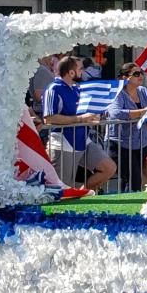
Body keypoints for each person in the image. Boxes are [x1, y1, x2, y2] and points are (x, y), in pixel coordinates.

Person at [42, 56, 117, 192]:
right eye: (80, 69)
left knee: (109, 168)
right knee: (62, 189)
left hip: (83, 140)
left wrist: (92, 116)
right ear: (71, 72)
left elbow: (83, 113)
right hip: (63, 143)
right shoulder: (53, 89)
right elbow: (49, 118)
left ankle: (82, 193)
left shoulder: (77, 88)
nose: (83, 71)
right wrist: (81, 119)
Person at [104, 63, 147, 191]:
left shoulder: (144, 91)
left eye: (141, 73)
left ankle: (125, 201)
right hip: (121, 143)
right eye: (136, 74)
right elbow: (115, 113)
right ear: (124, 77)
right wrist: (142, 112)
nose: (140, 76)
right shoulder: (118, 93)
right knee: (133, 179)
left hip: (142, 142)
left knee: (130, 179)